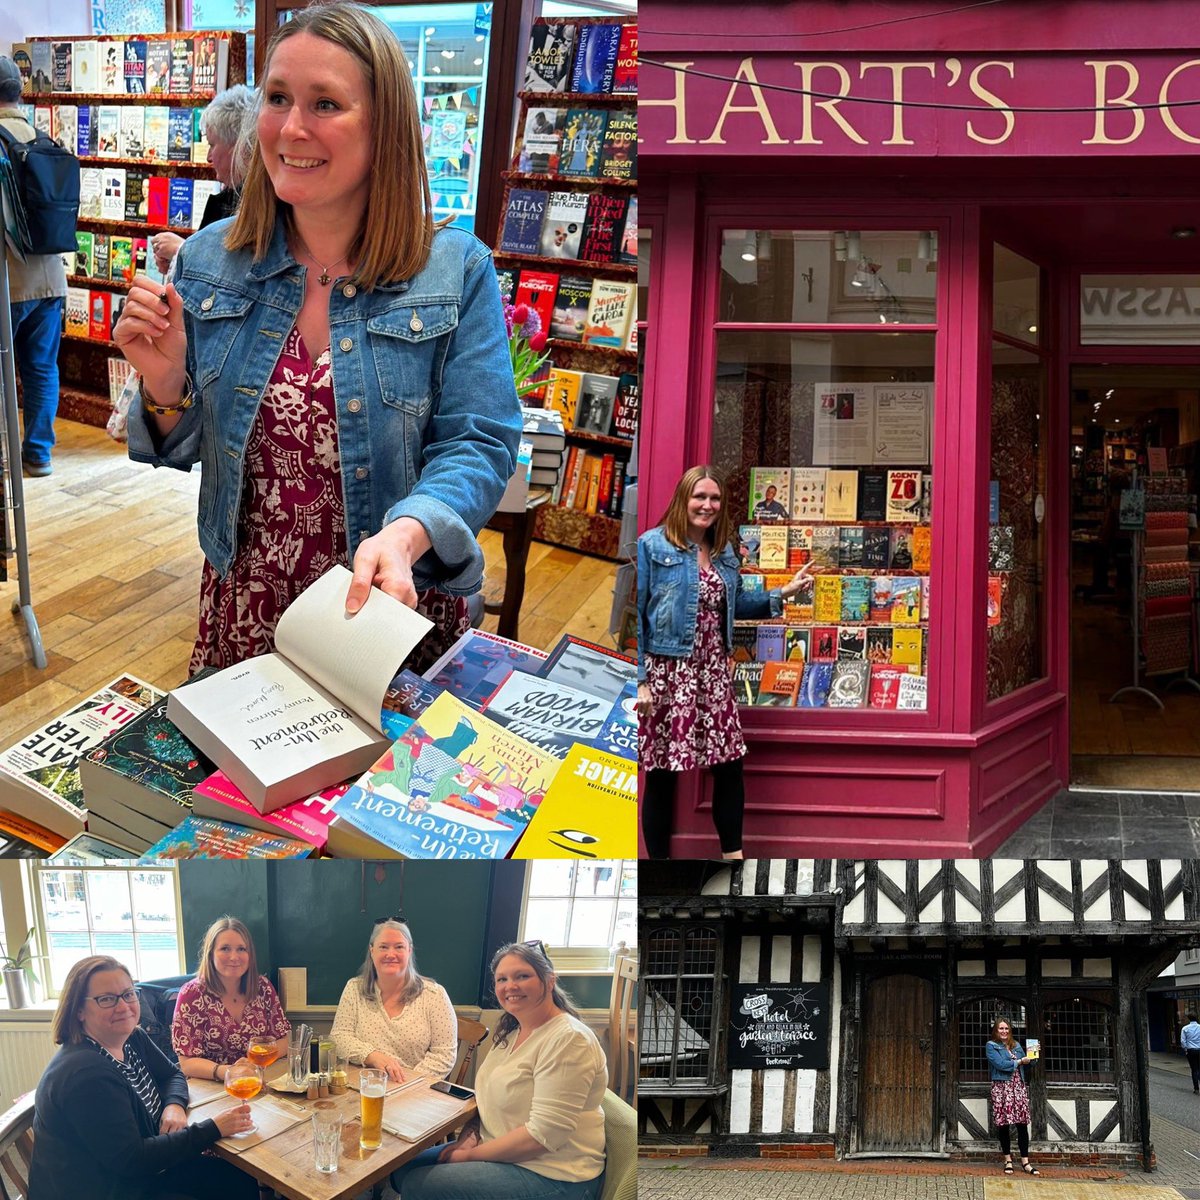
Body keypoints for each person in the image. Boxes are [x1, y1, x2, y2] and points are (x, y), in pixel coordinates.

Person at [115, 2, 520, 675]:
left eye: (326, 103)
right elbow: (186, 444)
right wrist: (162, 389)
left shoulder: (454, 271)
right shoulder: (208, 261)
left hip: (387, 614)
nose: (291, 127)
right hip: (246, 611)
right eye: (278, 98)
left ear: (385, 128)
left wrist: (408, 531)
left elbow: (478, 440)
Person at [636, 466, 815, 859]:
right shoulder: (653, 545)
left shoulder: (724, 553)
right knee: (663, 772)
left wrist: (782, 591)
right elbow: (637, 618)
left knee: (729, 766)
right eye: (699, 496)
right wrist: (642, 680)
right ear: (683, 499)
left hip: (714, 672)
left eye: (714, 498)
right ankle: (659, 868)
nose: (707, 505)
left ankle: (734, 858)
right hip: (670, 672)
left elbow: (732, 608)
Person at [28, 955, 257, 1200]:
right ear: (79, 1010)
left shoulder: (132, 1039)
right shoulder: (85, 1074)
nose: (124, 1006)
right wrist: (214, 1128)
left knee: (237, 1179)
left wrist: (174, 1105)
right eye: (106, 999)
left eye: (128, 994)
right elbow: (132, 1159)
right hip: (108, 1188)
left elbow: (172, 1074)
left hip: (139, 1173)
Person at [390, 942, 606, 1200]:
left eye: (522, 976)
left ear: (549, 981)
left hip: (554, 1175)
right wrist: (470, 1135)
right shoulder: (514, 1030)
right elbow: (487, 1096)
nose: (510, 986)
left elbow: (542, 1136)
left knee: (419, 1185)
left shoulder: (569, 1040)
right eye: (502, 979)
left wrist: (468, 1156)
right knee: (398, 1168)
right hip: (500, 1149)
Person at [0, 56, 67, 478]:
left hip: (8, 279)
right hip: (51, 279)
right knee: (42, 367)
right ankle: (38, 454)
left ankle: (3, 460)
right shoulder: (44, 139)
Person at [331, 917, 457, 1082]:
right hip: (366, 1088)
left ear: (409, 950)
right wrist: (372, 1056)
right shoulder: (354, 988)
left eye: (399, 947)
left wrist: (407, 1081)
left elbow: (444, 1055)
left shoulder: (435, 995)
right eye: (383, 947)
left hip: (415, 1092)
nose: (391, 954)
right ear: (372, 950)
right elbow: (339, 1037)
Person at [151, 84, 258, 275]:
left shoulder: (258, 208)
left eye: (212, 145)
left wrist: (182, 251)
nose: (208, 157)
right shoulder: (226, 199)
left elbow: (233, 279)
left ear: (237, 146)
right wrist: (178, 265)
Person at [172, 916, 289, 1081]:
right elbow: (187, 1062)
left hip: (257, 1078)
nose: (234, 957)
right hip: (210, 1085)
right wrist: (228, 1072)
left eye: (241, 949)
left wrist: (251, 1063)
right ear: (210, 953)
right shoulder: (192, 994)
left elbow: (283, 1039)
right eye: (225, 948)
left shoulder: (262, 987)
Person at [986, 1018, 1039, 1176]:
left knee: (1022, 1124)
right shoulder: (991, 1046)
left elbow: (1028, 1065)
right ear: (996, 1030)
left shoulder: (1016, 1046)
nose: (1004, 1031)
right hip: (1002, 1088)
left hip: (1018, 1087)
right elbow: (1000, 1065)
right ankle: (1008, 1160)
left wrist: (1033, 1056)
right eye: (1001, 1028)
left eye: (1006, 1028)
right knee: (1004, 1124)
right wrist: (1019, 1062)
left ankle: (1025, 1162)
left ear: (1010, 1030)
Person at [1181, 1011, 1200, 1094]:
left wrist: (1185, 1049)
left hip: (1191, 1050)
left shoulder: (1185, 1028)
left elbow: (1183, 1041)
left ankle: (1196, 1088)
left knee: (1194, 1069)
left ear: (1189, 1018)